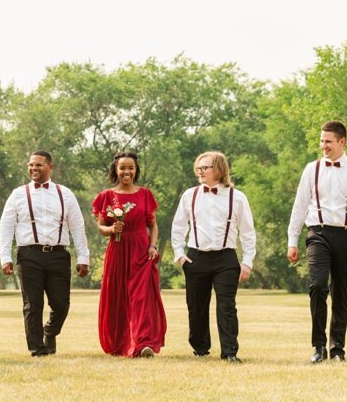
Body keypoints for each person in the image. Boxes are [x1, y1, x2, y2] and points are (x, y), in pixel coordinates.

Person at [287, 121, 347, 363]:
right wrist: (292, 241)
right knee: (317, 286)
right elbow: (300, 206)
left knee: (340, 293)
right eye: (322, 141)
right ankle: (318, 347)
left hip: (346, 235)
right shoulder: (311, 169)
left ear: (342, 142)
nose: (323, 146)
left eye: (328, 141)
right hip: (318, 233)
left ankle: (338, 350)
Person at [0, 150, 89, 357]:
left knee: (61, 304)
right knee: (33, 304)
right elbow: (6, 227)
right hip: (29, 254)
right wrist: (5, 257)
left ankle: (50, 331)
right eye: (31, 165)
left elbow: (77, 226)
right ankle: (38, 349)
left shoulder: (65, 194)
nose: (34, 168)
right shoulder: (18, 194)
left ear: (50, 166)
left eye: (39, 165)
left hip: (58, 255)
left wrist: (83, 257)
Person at [170, 151, 256, 363]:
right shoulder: (190, 195)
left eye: (205, 167)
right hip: (196, 257)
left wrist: (247, 261)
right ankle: (200, 348)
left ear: (218, 169)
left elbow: (247, 232)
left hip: (226, 259)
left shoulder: (237, 197)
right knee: (196, 305)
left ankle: (230, 352)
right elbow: (178, 227)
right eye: (198, 167)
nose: (200, 171)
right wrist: (180, 255)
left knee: (226, 306)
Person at [91, 151, 166, 358]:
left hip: (141, 251)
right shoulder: (107, 196)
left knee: (142, 297)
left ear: (136, 170)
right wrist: (111, 230)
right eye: (122, 168)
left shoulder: (145, 194)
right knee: (118, 296)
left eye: (130, 168)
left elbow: (153, 224)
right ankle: (119, 342)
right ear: (115, 170)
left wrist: (153, 246)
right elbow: (100, 227)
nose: (127, 171)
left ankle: (143, 344)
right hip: (117, 250)